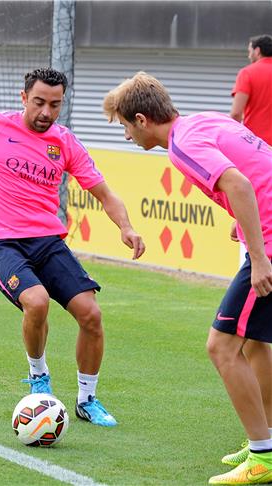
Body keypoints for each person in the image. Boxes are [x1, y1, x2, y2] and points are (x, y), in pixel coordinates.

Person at [0, 67, 145, 428]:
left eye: (55, 105)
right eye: (39, 103)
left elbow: (103, 193)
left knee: (91, 314)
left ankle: (87, 400)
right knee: (35, 301)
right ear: (23, 98)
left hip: (48, 243)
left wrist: (126, 227)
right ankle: (39, 377)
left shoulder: (64, 142)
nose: (46, 113)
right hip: (1, 242)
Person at [103, 71, 272, 485]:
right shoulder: (205, 120)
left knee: (221, 346)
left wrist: (259, 254)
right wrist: (242, 219)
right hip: (265, 229)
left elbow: (240, 183)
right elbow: (260, 164)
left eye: (125, 126)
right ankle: (265, 441)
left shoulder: (182, 145)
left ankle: (264, 457)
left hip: (270, 240)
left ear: (142, 119)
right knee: (253, 343)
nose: (127, 136)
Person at [230, 34, 272, 146]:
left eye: (249, 51)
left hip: (258, 144)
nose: (249, 56)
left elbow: (236, 113)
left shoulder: (247, 73)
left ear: (257, 51)